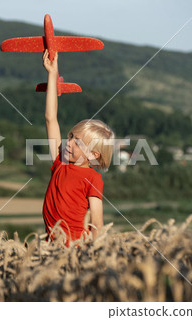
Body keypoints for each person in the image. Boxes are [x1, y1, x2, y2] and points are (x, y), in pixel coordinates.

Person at [41, 49, 115, 243]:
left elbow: (97, 223)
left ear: (93, 155)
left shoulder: (92, 178)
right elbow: (51, 119)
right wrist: (51, 73)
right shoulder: (61, 162)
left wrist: (93, 252)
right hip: (52, 247)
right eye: (71, 136)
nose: (69, 143)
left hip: (75, 248)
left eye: (77, 142)